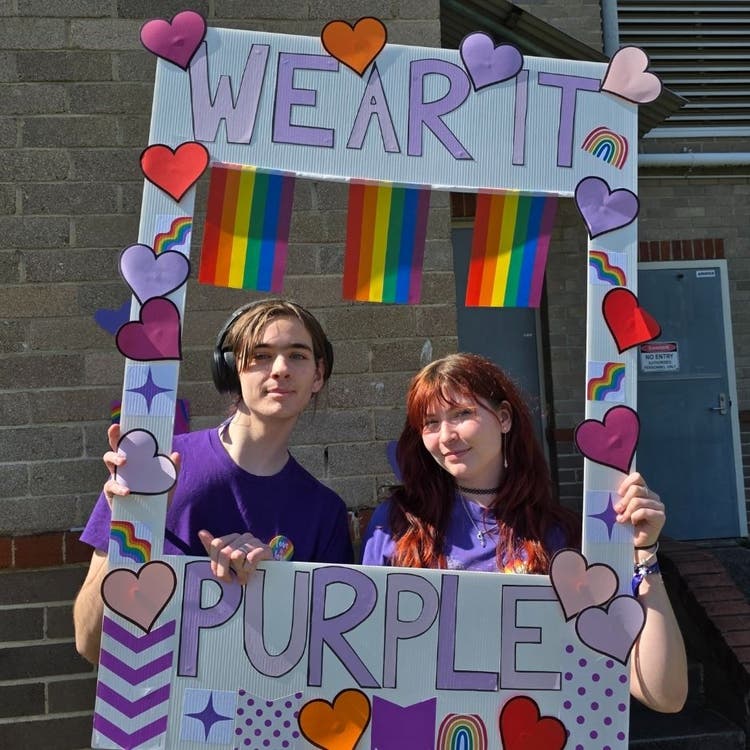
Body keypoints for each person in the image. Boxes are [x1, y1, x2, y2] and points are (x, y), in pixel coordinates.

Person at [362, 352, 688, 714]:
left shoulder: (562, 535)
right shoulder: (395, 525)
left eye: (462, 414)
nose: (446, 436)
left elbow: (664, 694)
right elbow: (367, 663)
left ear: (503, 417)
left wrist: (645, 553)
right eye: (430, 423)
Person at [74, 298, 353, 664]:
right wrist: (135, 524)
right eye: (261, 355)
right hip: (155, 714)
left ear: (318, 375)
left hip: (263, 720)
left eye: (297, 355)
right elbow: (89, 643)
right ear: (231, 369)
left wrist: (276, 586)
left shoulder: (325, 511)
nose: (281, 369)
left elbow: (327, 662)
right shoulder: (155, 467)